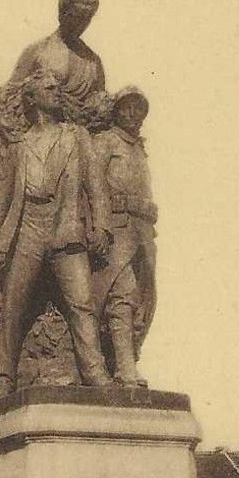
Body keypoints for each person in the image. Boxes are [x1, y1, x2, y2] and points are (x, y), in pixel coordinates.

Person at [0, 72, 113, 397]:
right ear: (32, 98)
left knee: (82, 303)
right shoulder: (19, 147)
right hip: (28, 230)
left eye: (57, 86)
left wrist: (102, 226)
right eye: (48, 87)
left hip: (66, 230)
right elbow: (0, 200)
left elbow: (96, 186)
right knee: (15, 304)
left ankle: (94, 371)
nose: (56, 91)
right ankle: (3, 377)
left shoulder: (77, 137)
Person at [91, 87, 158, 386]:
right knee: (122, 294)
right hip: (116, 231)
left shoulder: (139, 149)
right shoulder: (105, 142)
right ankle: (124, 368)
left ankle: (126, 360)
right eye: (127, 108)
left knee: (142, 300)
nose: (133, 115)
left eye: (139, 109)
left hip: (142, 234)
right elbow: (90, 187)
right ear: (116, 110)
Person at [10, 0, 106, 114]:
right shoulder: (37, 52)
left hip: (80, 132)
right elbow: (10, 100)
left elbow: (101, 107)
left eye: (86, 19)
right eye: (76, 17)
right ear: (61, 14)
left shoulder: (93, 62)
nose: (80, 25)